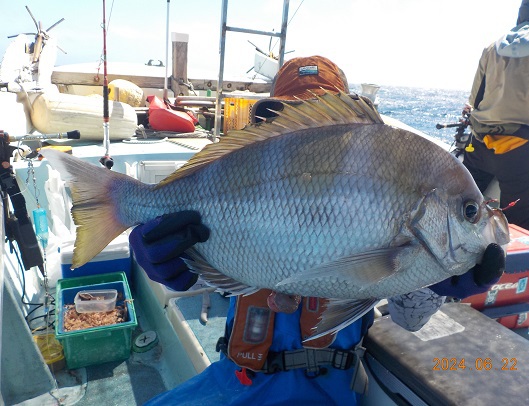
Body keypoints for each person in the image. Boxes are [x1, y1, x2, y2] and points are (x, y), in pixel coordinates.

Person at [130, 56, 505, 405]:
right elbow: (202, 281)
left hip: (330, 391)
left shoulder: (393, 201)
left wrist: (439, 283)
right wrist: (158, 256)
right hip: (236, 380)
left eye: (317, 127)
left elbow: (409, 319)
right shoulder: (239, 182)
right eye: (288, 125)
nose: (303, 141)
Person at [462, 0, 529, 231]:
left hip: (479, 145)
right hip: (517, 150)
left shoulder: (492, 46)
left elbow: (474, 101)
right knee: (516, 221)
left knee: (463, 209)